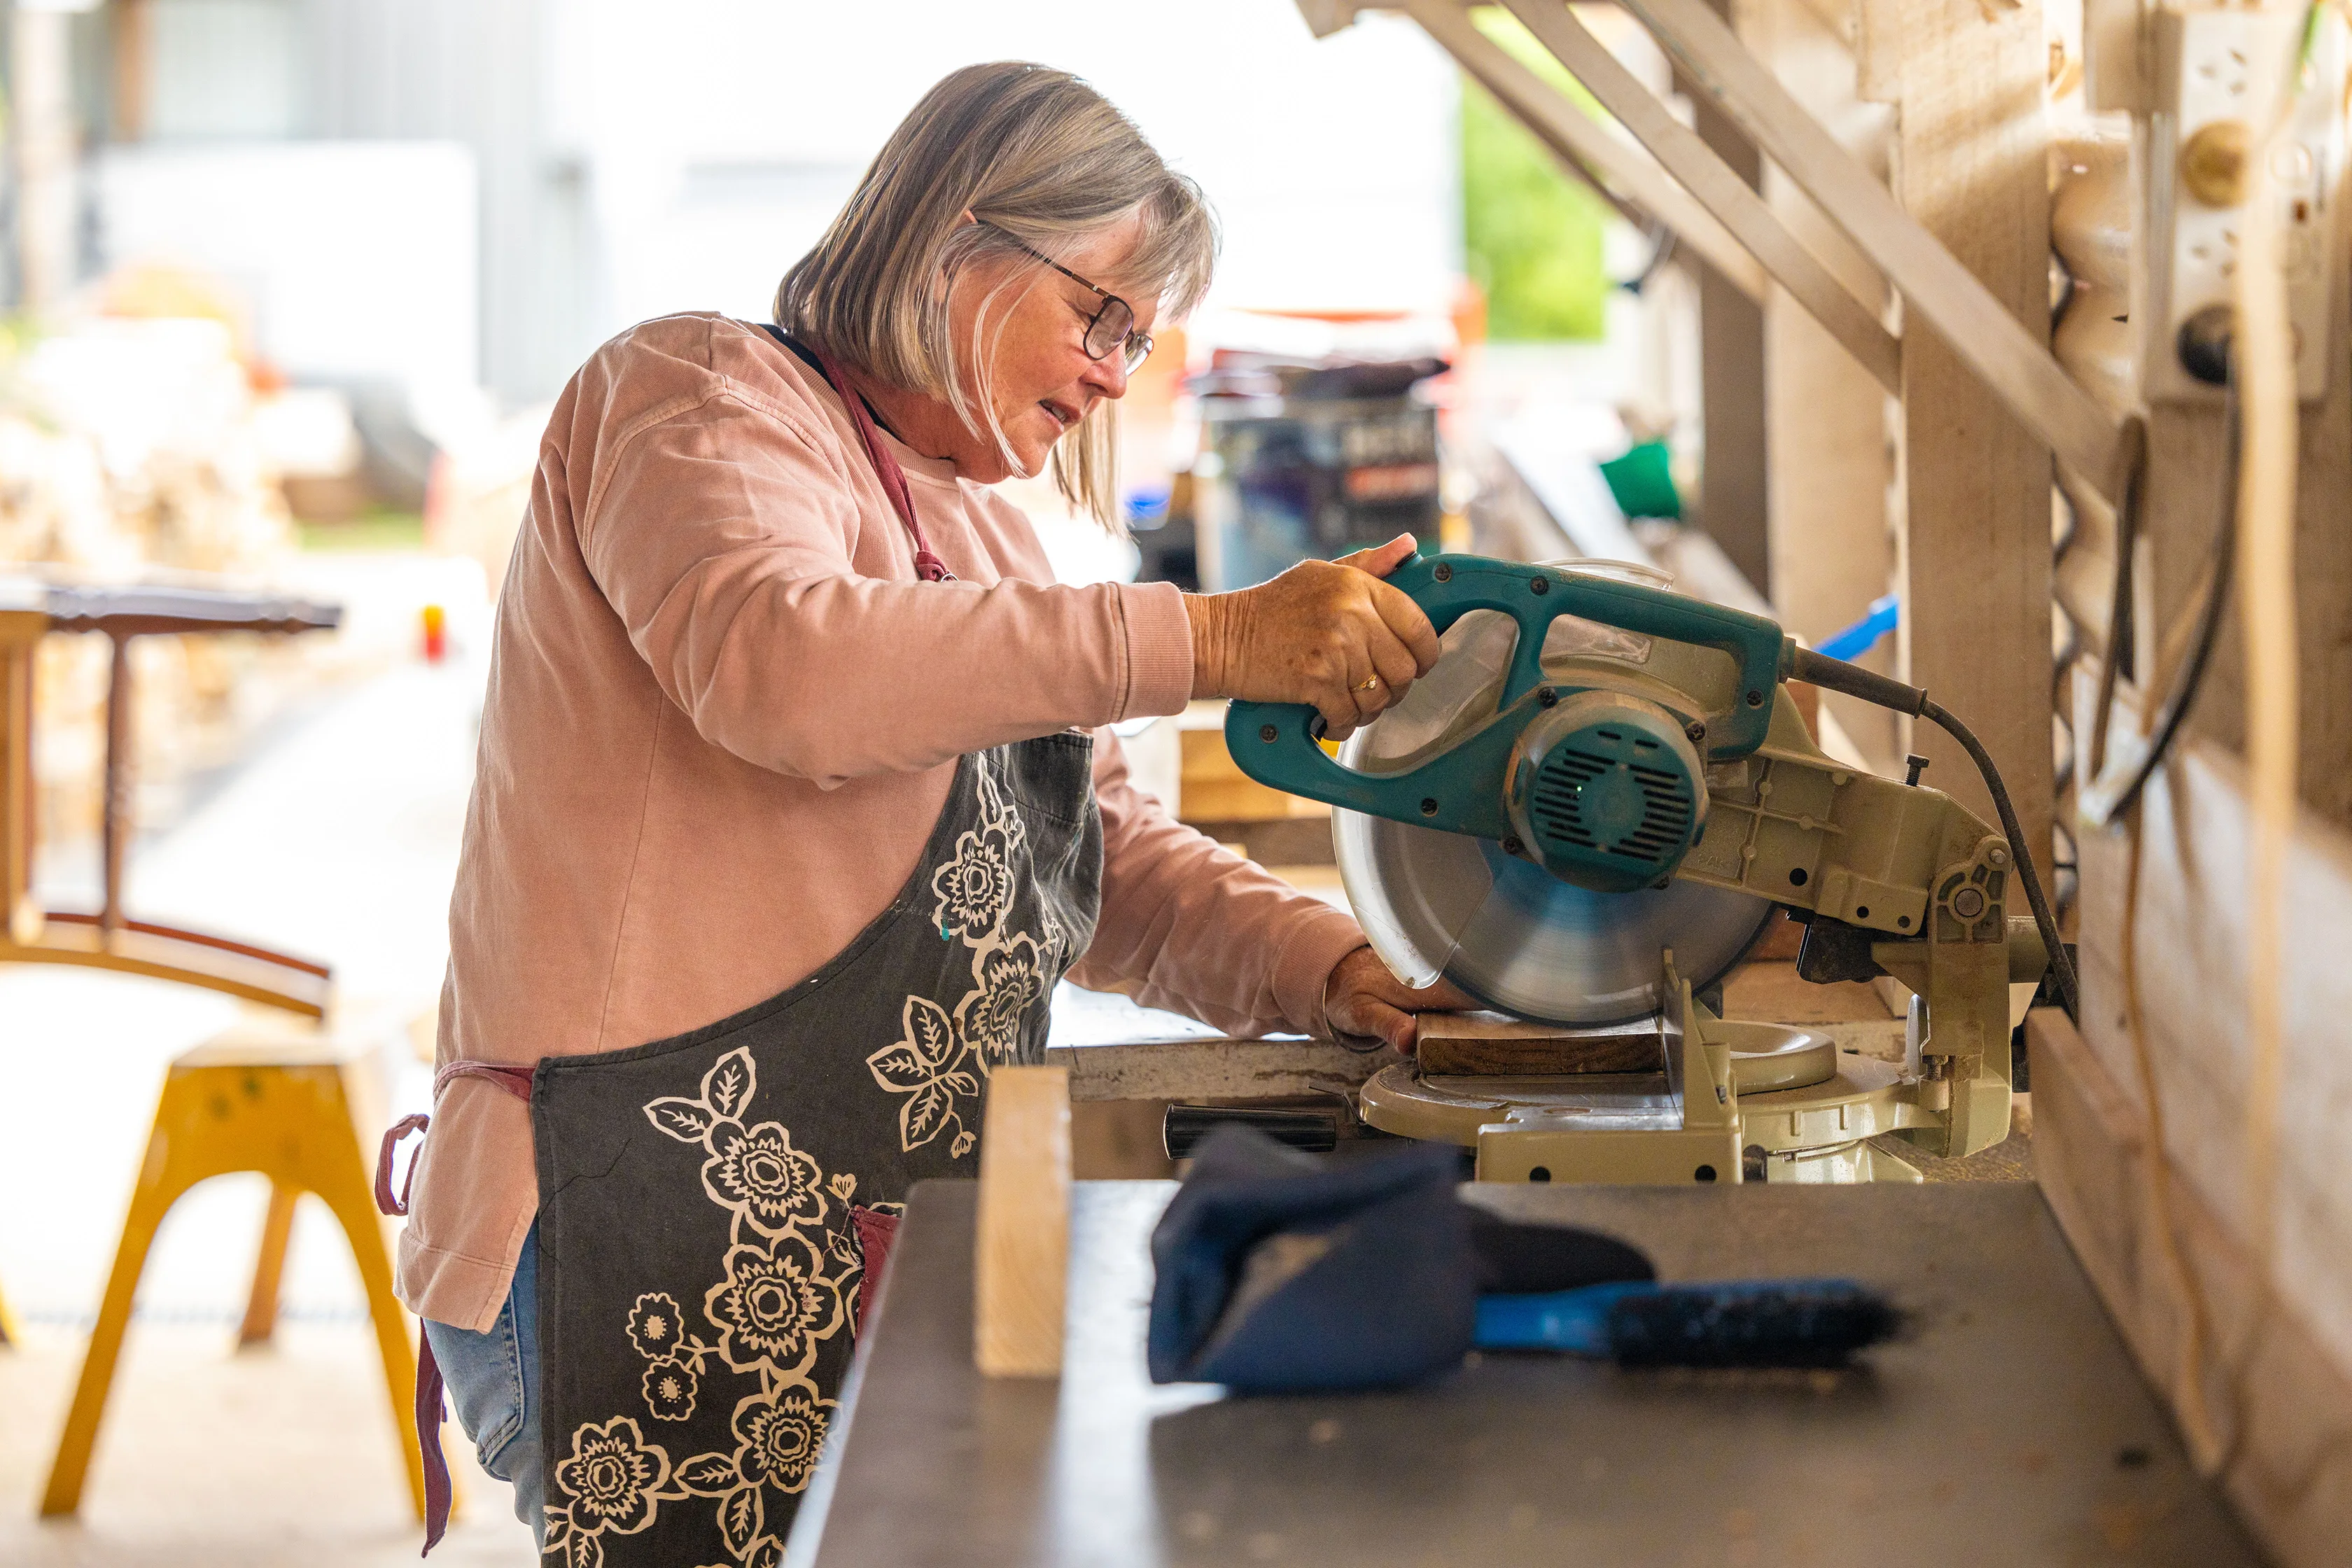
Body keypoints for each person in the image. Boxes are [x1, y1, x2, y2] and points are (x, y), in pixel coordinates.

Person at [386, 60, 1464, 1564]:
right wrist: (1207, 642)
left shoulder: (974, 529)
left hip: (836, 1243)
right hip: (627, 1231)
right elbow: (781, 665)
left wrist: (1336, 969)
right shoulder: (696, 395)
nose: (1111, 372)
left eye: (1136, 341)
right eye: (1101, 315)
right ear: (962, 239)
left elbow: (1101, 866)